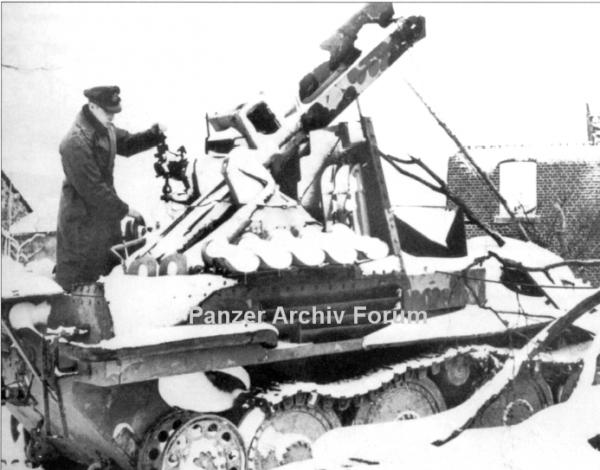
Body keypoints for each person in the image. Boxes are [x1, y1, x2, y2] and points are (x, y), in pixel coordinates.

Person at [55, 85, 166, 291]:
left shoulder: (105, 129)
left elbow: (128, 143)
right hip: (81, 226)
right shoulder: (75, 143)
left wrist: (154, 135)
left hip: (105, 221)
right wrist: (125, 210)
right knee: (78, 286)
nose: (112, 117)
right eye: (108, 112)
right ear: (92, 107)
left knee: (112, 282)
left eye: (114, 112)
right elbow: (93, 190)